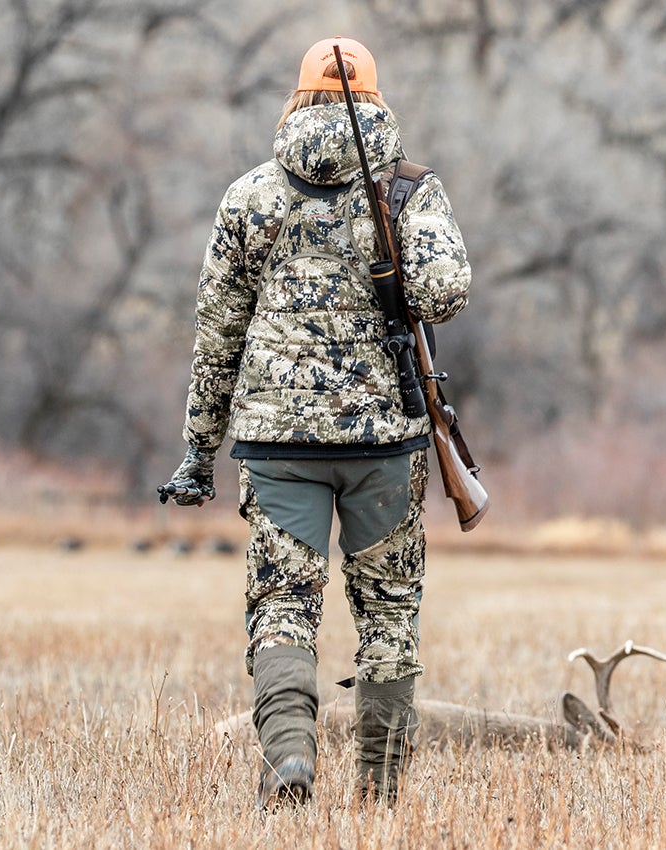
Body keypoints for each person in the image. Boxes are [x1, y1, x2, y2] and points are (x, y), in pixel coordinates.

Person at [159, 35, 471, 807]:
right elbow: (444, 295)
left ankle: (291, 756)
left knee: (282, 607)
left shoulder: (250, 195)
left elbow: (217, 336)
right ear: (375, 100)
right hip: (385, 443)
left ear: (298, 100)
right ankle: (379, 794)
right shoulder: (409, 192)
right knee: (390, 615)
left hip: (276, 445)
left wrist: (198, 453)